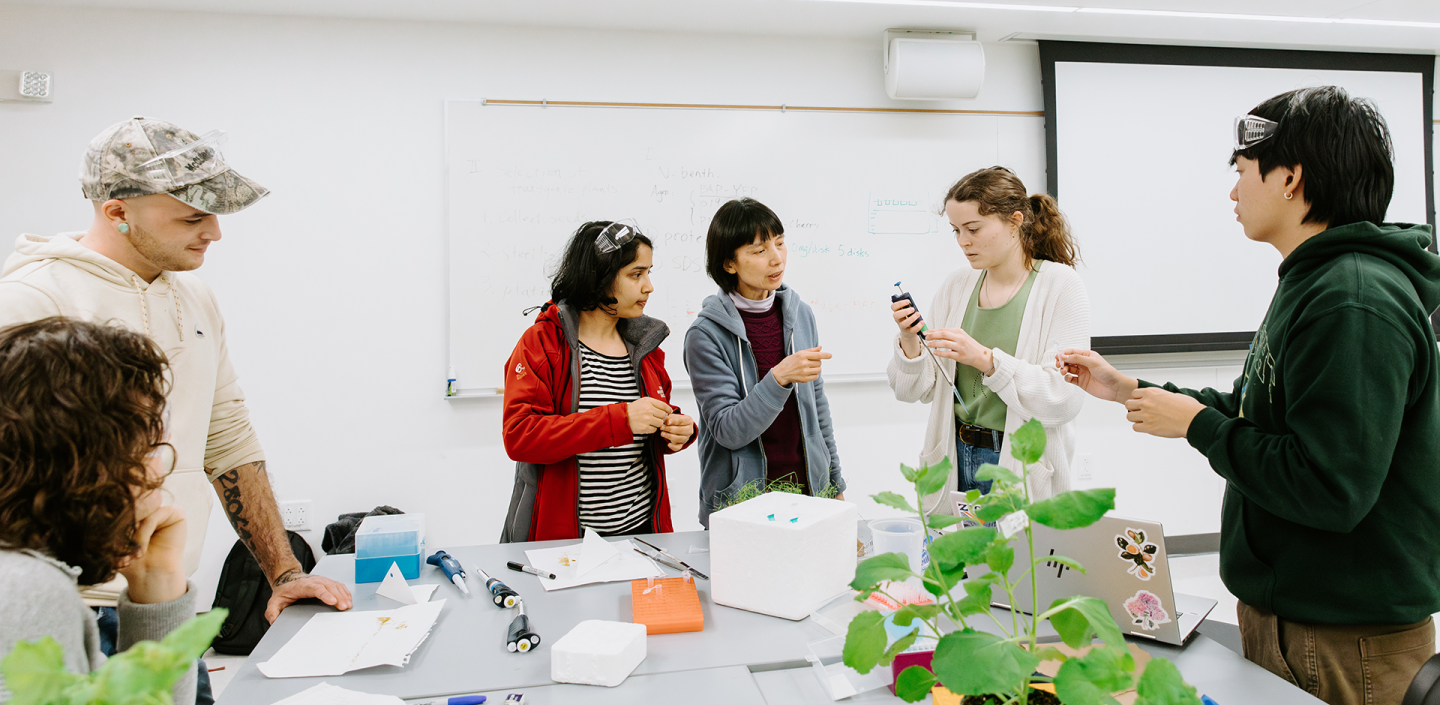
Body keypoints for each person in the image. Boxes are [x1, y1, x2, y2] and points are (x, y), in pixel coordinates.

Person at [1060, 86, 1439, 705]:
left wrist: (1198, 428)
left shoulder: (1352, 298)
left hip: (1342, 636)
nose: (1233, 192)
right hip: (1300, 618)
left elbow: (1331, 488)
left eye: (1241, 172)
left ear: (1290, 178)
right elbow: (1254, 409)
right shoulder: (1316, 280)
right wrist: (1133, 389)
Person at [0, 118, 351, 628]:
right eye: (191, 219)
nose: (214, 232)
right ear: (117, 211)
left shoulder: (195, 296)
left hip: (166, 596)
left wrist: (285, 574)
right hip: (68, 608)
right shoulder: (33, 300)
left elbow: (227, 436)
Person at [0, 318, 197, 704]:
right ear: (93, 463)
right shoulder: (27, 589)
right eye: (150, 448)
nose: (158, 472)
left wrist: (156, 585)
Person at [888, 167, 1089, 515]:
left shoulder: (1060, 285)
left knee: (1017, 568)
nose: (963, 241)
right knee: (958, 566)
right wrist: (910, 342)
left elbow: (1062, 398)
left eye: (973, 229)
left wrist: (986, 359)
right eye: (956, 230)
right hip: (955, 454)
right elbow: (913, 391)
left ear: (1015, 221)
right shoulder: (957, 285)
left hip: (1017, 462)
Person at [501, 220, 696, 542]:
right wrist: (621, 419)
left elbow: (648, 420)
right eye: (636, 274)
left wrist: (675, 429)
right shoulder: (543, 343)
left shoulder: (645, 346)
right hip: (565, 544)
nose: (649, 286)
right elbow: (521, 436)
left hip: (641, 537)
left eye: (649, 273)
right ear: (600, 277)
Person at [684, 198, 845, 527]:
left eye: (780, 243)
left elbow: (818, 408)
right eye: (759, 251)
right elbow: (728, 431)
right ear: (730, 264)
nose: (777, 258)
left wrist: (834, 485)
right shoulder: (705, 335)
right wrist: (779, 377)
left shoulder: (800, 314)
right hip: (742, 504)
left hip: (808, 496)